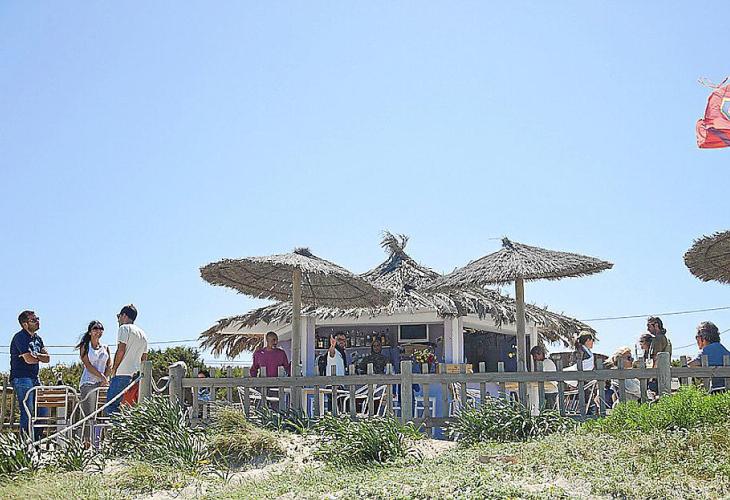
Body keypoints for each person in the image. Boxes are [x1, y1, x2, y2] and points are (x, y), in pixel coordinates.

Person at [9, 310, 50, 438]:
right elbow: (29, 359)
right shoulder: (20, 337)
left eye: (37, 319)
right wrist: (38, 357)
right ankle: (25, 443)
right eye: (33, 320)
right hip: (21, 378)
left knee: (43, 411)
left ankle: (36, 441)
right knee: (28, 410)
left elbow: (47, 358)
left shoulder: (38, 339)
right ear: (25, 324)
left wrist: (35, 355)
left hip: (35, 378)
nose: (37, 322)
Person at [107, 305, 148, 416]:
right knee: (131, 408)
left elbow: (121, 349)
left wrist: (114, 368)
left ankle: (115, 427)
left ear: (124, 315)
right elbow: (144, 358)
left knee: (112, 405)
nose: (118, 320)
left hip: (122, 373)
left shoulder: (124, 328)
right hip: (136, 376)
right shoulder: (143, 334)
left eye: (119, 316)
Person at [76, 320, 111, 418]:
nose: (98, 331)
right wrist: (102, 376)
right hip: (88, 383)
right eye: (95, 328)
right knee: (90, 414)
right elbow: (88, 365)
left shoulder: (105, 347)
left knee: (106, 412)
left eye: (101, 328)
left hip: (103, 384)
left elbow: (109, 365)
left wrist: (105, 378)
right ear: (90, 332)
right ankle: (88, 428)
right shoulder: (85, 346)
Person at [688, 321, 730, 391]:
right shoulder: (725, 351)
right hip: (727, 391)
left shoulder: (706, 351)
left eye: (696, 337)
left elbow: (691, 365)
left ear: (702, 338)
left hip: (713, 391)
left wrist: (688, 361)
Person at [529, 345, 558, 412]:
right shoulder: (546, 362)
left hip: (550, 391)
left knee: (549, 411)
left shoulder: (546, 363)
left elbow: (541, 376)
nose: (534, 358)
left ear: (540, 354)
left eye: (535, 356)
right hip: (547, 390)